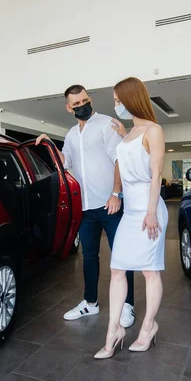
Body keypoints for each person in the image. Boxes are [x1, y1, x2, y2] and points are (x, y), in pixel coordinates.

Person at [35, 85, 136, 328]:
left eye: (85, 100)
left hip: (110, 205)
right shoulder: (71, 135)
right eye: (77, 104)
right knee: (89, 257)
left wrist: (116, 194)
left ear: (89, 99)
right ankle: (90, 303)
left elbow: (118, 160)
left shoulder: (107, 124)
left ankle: (127, 304)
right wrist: (49, 143)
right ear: (69, 108)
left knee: (121, 257)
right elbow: (65, 162)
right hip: (85, 208)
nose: (83, 106)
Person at [94, 77, 168, 359]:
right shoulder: (129, 133)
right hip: (129, 210)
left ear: (131, 98)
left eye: (118, 100)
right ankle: (114, 331)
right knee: (117, 269)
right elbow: (125, 163)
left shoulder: (154, 130)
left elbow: (156, 174)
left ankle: (148, 327)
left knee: (149, 271)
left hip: (149, 209)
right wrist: (127, 133)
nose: (116, 105)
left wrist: (151, 213)